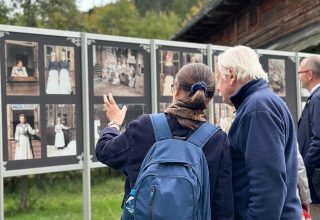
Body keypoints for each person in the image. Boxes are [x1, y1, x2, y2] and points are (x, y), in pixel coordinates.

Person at [96, 63, 234, 220]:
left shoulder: (144, 126)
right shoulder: (216, 140)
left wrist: (114, 122)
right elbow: (223, 206)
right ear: (208, 98)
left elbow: (104, 151)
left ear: (175, 89)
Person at [215, 45, 300, 219]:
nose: (217, 86)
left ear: (231, 75)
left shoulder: (257, 108)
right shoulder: (261, 102)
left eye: (218, 78)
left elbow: (268, 184)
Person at [297, 55, 320, 220]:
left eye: (300, 72)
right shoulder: (315, 98)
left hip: (316, 180)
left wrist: (303, 170)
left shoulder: (318, 98)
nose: (298, 77)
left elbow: (318, 141)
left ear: (310, 74)